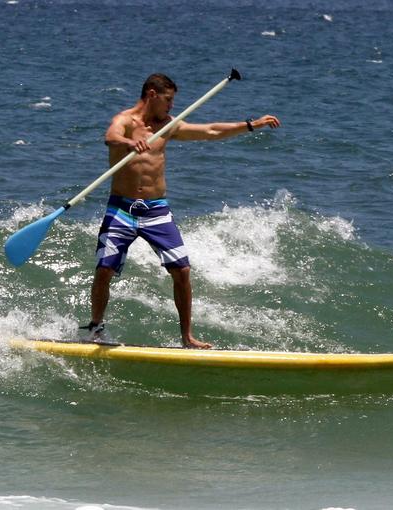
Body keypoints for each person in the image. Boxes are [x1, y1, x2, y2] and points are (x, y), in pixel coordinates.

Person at [82, 73, 280, 348]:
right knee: (105, 269)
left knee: (182, 270)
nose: (171, 106)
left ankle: (187, 337)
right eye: (168, 100)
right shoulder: (126, 121)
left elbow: (210, 130)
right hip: (122, 208)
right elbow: (111, 137)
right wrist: (130, 143)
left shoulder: (167, 126)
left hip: (156, 210)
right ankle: (96, 328)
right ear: (152, 94)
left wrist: (250, 125)